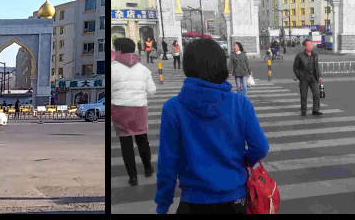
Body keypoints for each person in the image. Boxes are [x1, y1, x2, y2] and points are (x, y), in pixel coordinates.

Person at [155, 38, 269, 214]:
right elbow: (260, 147)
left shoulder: (173, 108)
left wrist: (163, 204)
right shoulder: (240, 103)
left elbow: (167, 163)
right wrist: (244, 160)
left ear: (188, 67)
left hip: (194, 200)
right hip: (235, 197)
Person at [111, 37, 156, 187]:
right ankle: (148, 168)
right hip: (139, 108)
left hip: (120, 109)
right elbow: (152, 90)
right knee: (142, 140)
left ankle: (133, 177)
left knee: (126, 144)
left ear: (119, 50)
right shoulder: (143, 69)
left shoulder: (112, 68)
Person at [293, 39, 322, 116]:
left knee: (316, 94)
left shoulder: (315, 54)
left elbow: (316, 66)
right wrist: (299, 76)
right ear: (305, 46)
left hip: (314, 78)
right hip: (304, 79)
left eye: (311, 45)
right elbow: (295, 68)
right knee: (304, 95)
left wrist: (319, 75)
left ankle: (315, 110)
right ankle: (303, 111)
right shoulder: (299, 56)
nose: (310, 46)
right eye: (309, 45)